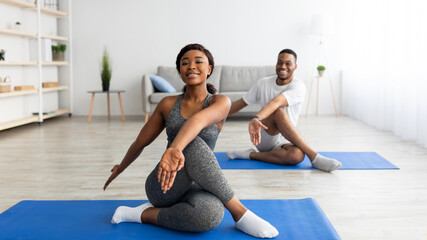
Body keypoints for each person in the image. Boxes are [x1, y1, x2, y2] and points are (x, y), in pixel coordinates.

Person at [103, 43, 279, 238]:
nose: (191, 66)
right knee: (192, 143)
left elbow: (198, 120)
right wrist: (121, 167)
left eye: (198, 61)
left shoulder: (220, 102)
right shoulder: (168, 104)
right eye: (185, 63)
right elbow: (140, 142)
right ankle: (240, 213)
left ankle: (139, 214)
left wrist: (175, 148)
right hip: (163, 184)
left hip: (197, 185)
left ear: (209, 69)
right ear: (179, 71)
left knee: (210, 215)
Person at [226, 49, 342, 172]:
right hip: (265, 135)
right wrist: (213, 116)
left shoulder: (298, 86)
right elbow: (241, 103)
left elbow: (276, 101)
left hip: (287, 139)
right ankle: (314, 157)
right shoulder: (263, 83)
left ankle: (250, 155)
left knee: (297, 156)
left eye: (288, 63)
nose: (283, 66)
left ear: (295, 66)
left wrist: (256, 117)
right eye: (280, 62)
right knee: (279, 111)